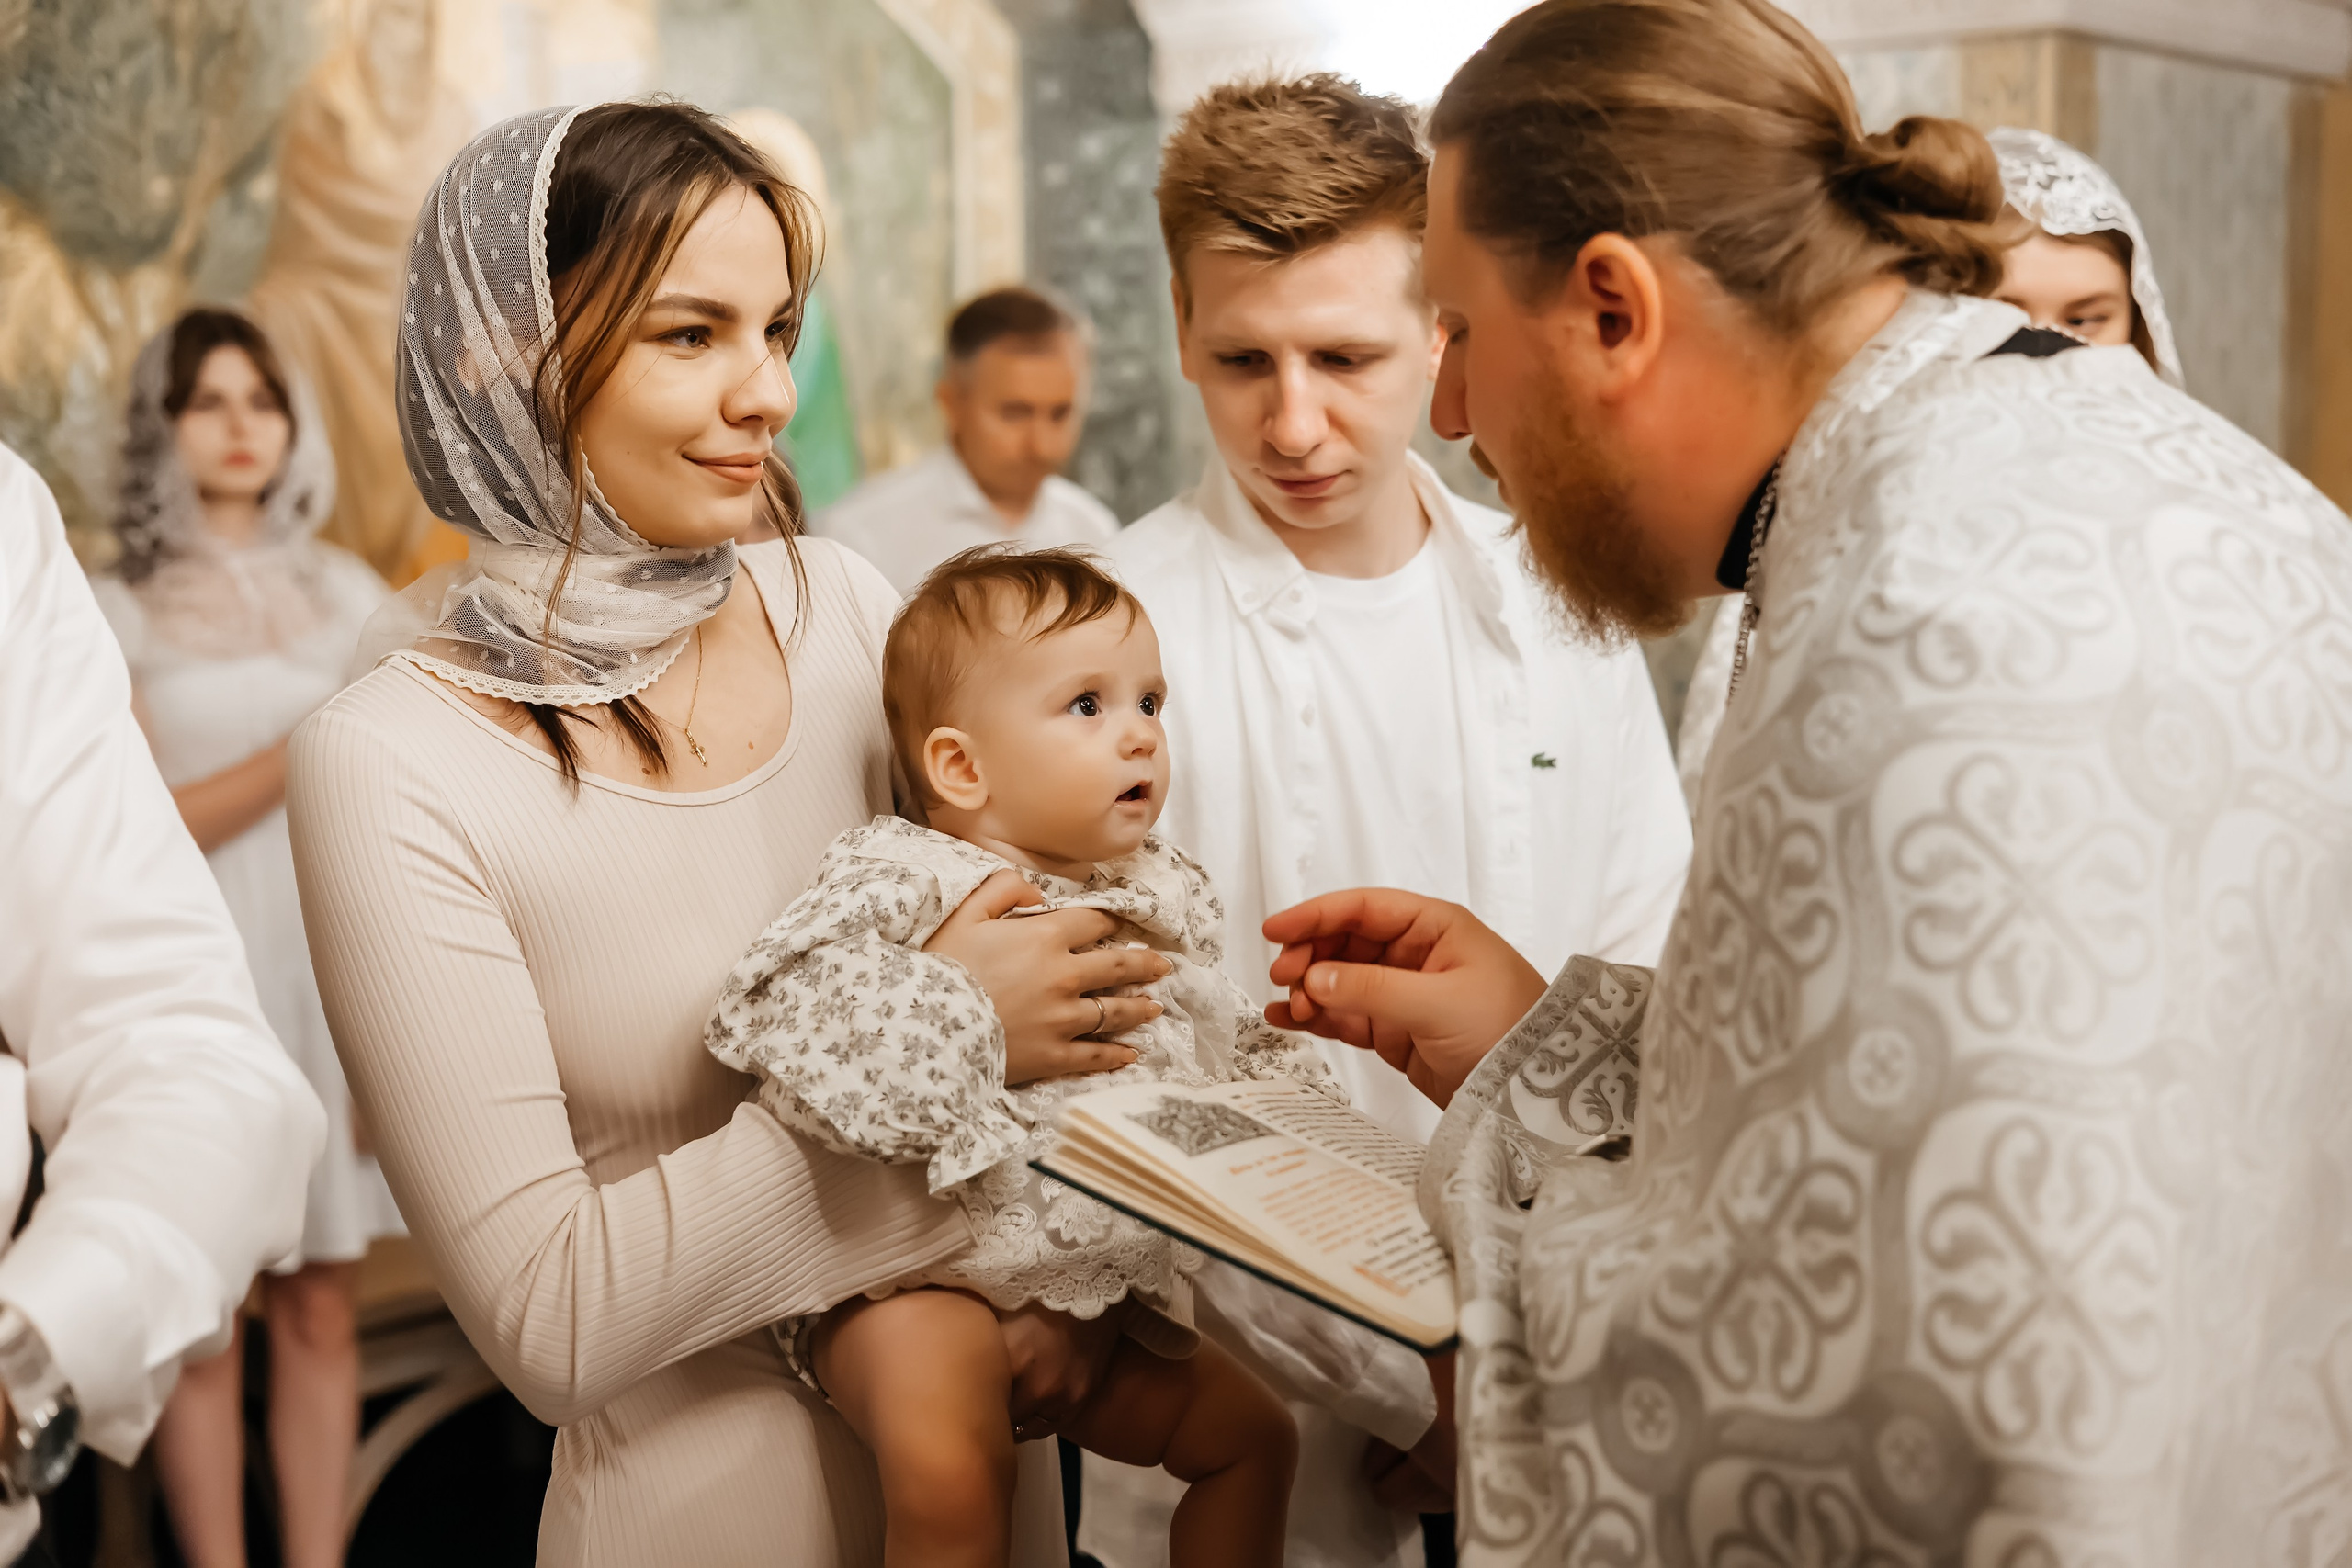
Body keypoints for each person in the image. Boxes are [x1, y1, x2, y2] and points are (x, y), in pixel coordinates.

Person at [1264, 1, 2352, 1562]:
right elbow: (1942, 1135)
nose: (1449, 417)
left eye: (1457, 330)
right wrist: (1540, 1053)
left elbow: (1890, 1420)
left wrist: (1486, 1343)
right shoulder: (2080, 457)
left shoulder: (1922, 622)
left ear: (1613, 309)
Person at [288, 101, 1165, 1565]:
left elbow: (1043, 1007)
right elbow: (551, 1318)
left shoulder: (847, 612)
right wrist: (937, 1029)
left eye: (777, 329)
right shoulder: (388, 757)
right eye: (691, 335)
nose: (767, 391)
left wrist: (1091, 1291)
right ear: (497, 354)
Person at [1089, 73, 1692, 1568]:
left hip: (1564, 1393)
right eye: (1243, 361)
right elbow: (1097, 1080)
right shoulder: (1096, 630)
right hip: (1223, 1442)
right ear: (1178, 329)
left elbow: (1648, 985)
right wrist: (1400, 1379)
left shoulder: (1567, 606)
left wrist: (1530, 1361)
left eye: (1346, 356)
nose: (1295, 423)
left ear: (1440, 329)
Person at [707, 547, 1314, 1568]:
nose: (1139, 734)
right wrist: (965, 1014)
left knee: (1254, 1441)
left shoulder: (1160, 889)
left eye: (1150, 702)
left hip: (1087, 1283)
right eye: (1087, 704)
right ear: (960, 767)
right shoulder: (904, 869)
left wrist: (1296, 1119)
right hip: (915, 1282)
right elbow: (779, 1007)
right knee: (952, 1471)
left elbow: (1224, 1039)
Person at [91, 308, 399, 1568]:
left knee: (322, 1299)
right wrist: (307, 741)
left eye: (259, 399)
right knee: (206, 1313)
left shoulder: (352, 590)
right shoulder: (111, 607)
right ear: (163, 428)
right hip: (194, 976)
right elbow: (142, 818)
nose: (236, 426)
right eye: (206, 400)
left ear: (291, 424)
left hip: (329, 968)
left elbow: (398, 802)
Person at [0, 438, 324, 1566]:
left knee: (298, 1309)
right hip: (225, 871)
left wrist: (26, 1355)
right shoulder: (127, 608)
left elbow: (175, 1032)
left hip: (279, 936)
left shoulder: (2, 527)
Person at [1676, 120, 2186, 801]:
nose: (2045, 351)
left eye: (2086, 319)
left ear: (2138, 329)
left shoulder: (2183, 530)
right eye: (2004, 316)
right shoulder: (1842, 541)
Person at [816, 288, 1116, 592]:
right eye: (1015, 413)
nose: (1041, 444)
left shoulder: (1094, 532)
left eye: (1060, 414)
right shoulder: (860, 536)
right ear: (951, 403)